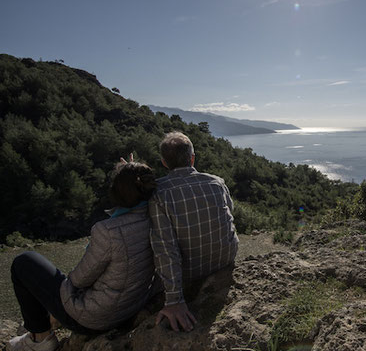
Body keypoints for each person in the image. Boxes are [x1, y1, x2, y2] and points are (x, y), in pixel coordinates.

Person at [8, 162, 156, 351]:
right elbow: (146, 186)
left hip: (94, 319)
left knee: (24, 262)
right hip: (129, 308)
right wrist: (133, 171)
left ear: (117, 193)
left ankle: (40, 339)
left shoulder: (108, 231)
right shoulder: (156, 217)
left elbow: (79, 280)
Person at [150, 131, 238, 332]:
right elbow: (229, 215)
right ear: (192, 158)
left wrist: (174, 301)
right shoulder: (216, 182)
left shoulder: (159, 193)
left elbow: (165, 248)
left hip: (190, 272)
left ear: (164, 162)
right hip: (224, 260)